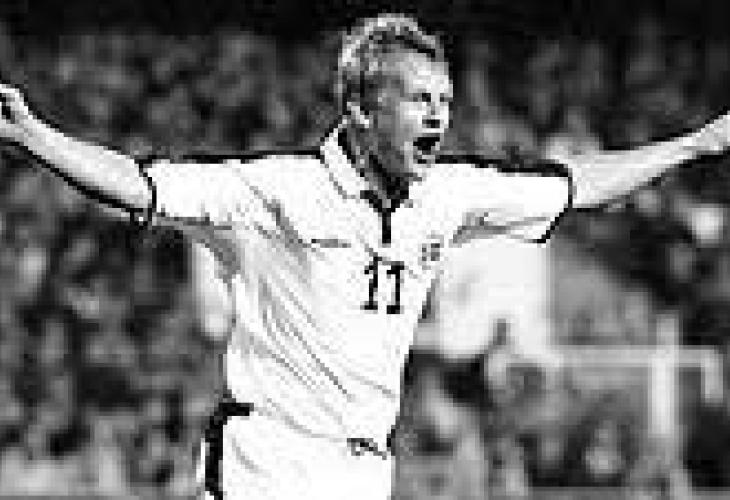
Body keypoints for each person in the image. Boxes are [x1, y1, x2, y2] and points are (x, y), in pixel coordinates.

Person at [0, 12, 728, 500]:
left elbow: (577, 187)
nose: (439, 114)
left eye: (444, 99)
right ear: (359, 109)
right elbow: (138, 184)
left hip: (365, 470)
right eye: (418, 99)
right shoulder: (276, 192)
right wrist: (36, 137)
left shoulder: (448, 196)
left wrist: (696, 144)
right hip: (268, 463)